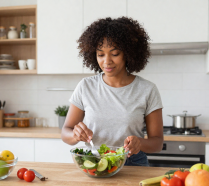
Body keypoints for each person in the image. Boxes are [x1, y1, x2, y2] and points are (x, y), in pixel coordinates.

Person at [61, 17, 164, 166]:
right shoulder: (85, 86)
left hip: (133, 164)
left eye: (115, 54)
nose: (106, 61)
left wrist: (139, 143)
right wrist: (75, 135)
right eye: (100, 54)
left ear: (128, 54)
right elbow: (66, 132)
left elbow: (157, 143)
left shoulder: (147, 90)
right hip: (94, 162)